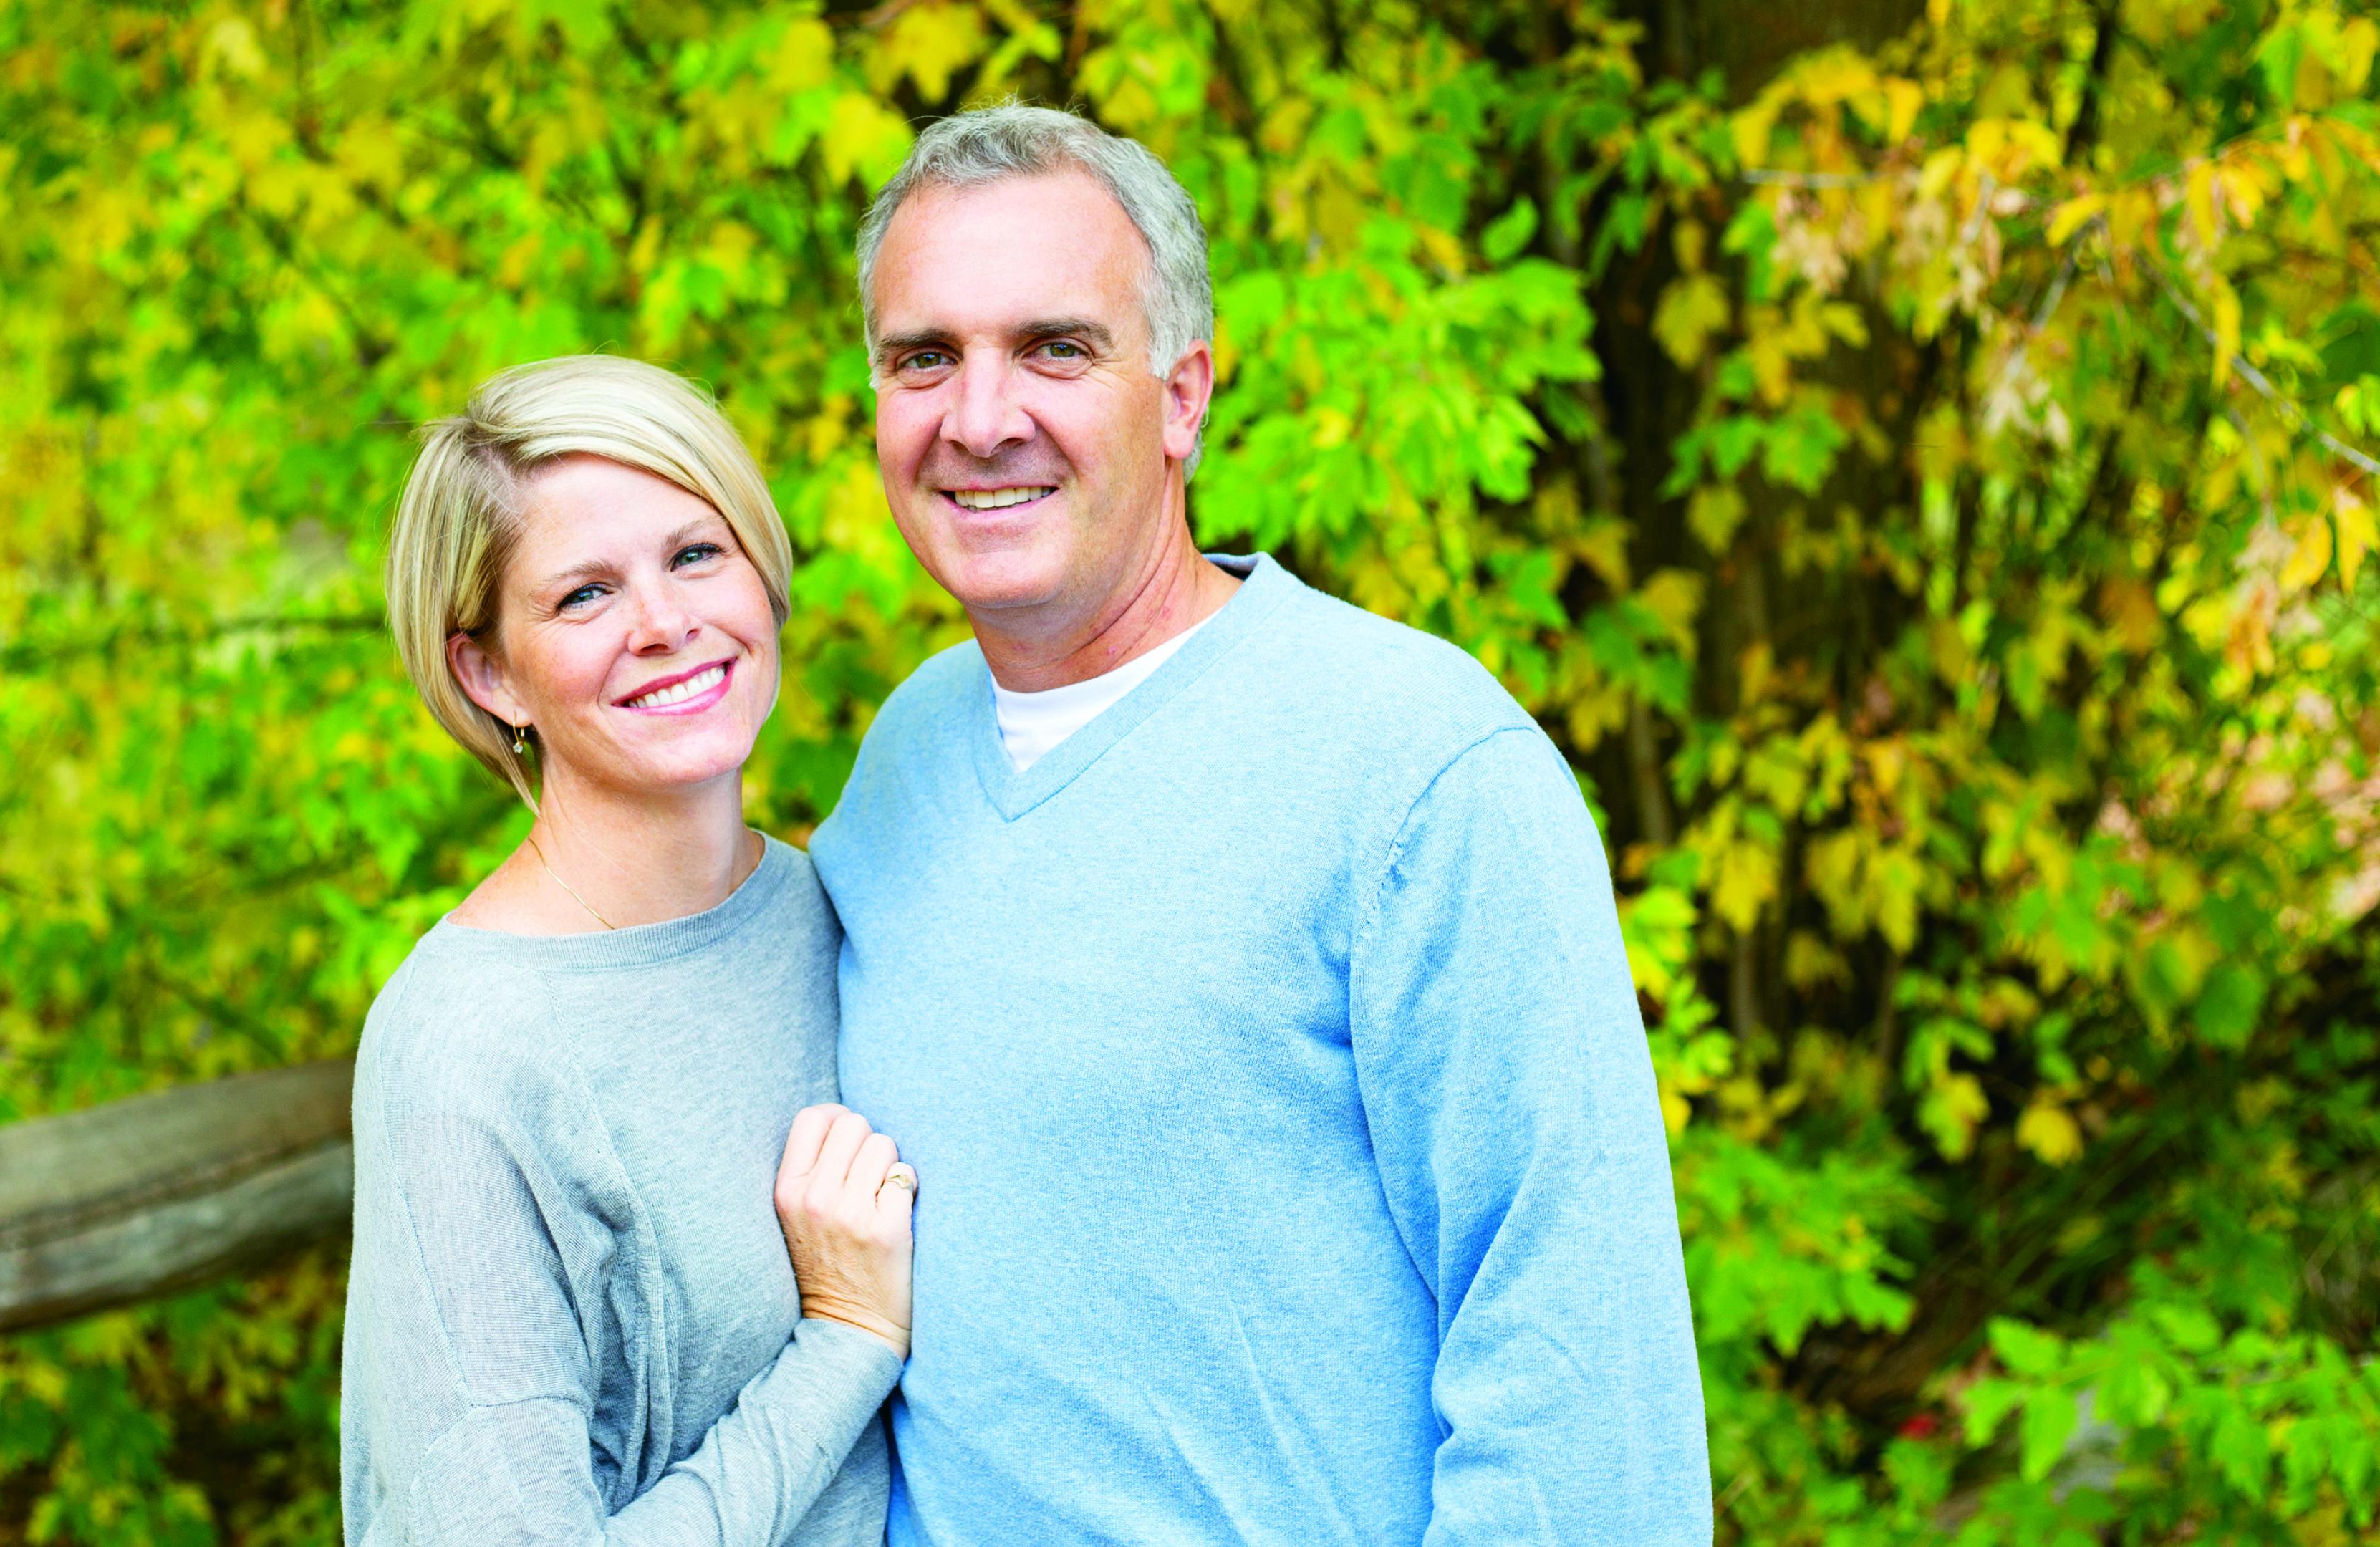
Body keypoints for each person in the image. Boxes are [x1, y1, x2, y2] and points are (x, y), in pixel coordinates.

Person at [812, 106, 1713, 1543]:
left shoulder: (1421, 772)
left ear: (1182, 397)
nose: (979, 420)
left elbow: (1583, 1409)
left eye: (1055, 349)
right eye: (925, 358)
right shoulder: (906, 758)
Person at [342, 355, 917, 1546]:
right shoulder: (467, 1057)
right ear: (489, 672)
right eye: (585, 595)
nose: (664, 624)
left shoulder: (844, 906)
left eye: (697, 554)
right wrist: (846, 1341)